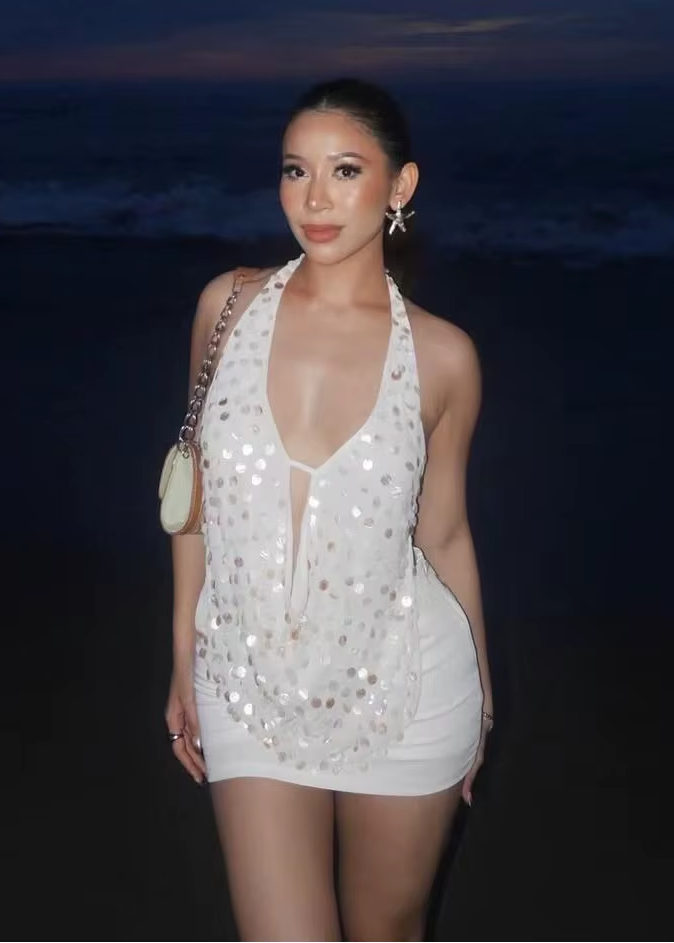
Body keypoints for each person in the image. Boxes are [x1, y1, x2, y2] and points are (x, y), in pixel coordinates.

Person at [165, 77, 493, 943]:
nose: (314, 199)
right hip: (244, 679)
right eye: (295, 170)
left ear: (400, 186)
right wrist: (184, 652)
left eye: (345, 170)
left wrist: (485, 696)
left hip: (408, 687)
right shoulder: (226, 308)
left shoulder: (444, 356)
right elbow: (191, 492)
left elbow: (445, 531)